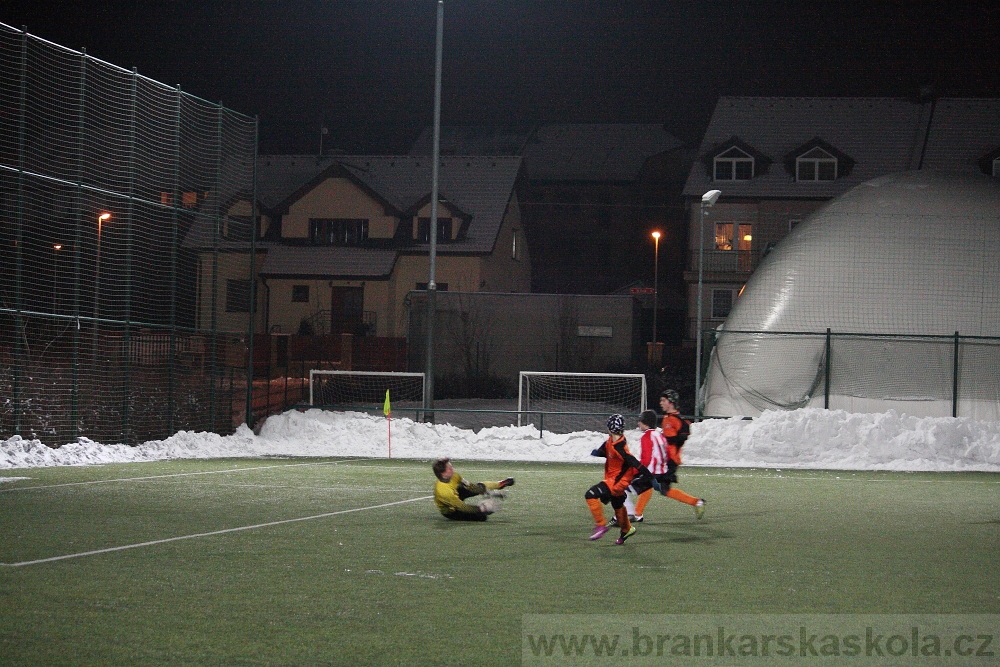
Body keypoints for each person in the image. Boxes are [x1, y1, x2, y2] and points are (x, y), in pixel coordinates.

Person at [584, 414, 641, 544]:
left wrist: (650, 477)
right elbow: (605, 450)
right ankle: (627, 529)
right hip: (615, 481)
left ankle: (600, 524)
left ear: (609, 428)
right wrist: (598, 452)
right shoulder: (612, 441)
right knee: (618, 505)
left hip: (616, 482)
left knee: (590, 494)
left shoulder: (619, 446)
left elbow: (633, 462)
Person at [657, 389, 706, 519]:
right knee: (655, 486)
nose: (660, 403)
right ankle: (635, 513)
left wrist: (665, 439)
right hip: (665, 460)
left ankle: (697, 502)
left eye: (663, 400)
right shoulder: (669, 418)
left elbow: (682, 436)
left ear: (671, 402)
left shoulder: (676, 419)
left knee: (659, 487)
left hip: (670, 461)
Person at [432, 458, 514, 521]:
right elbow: (462, 507)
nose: (452, 469)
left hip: (456, 494)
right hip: (452, 511)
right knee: (482, 517)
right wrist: (482, 509)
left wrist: (487, 492)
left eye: (451, 466)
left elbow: (470, 486)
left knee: (479, 486)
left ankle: (500, 484)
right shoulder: (444, 492)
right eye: (449, 468)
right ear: (443, 474)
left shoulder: (455, 475)